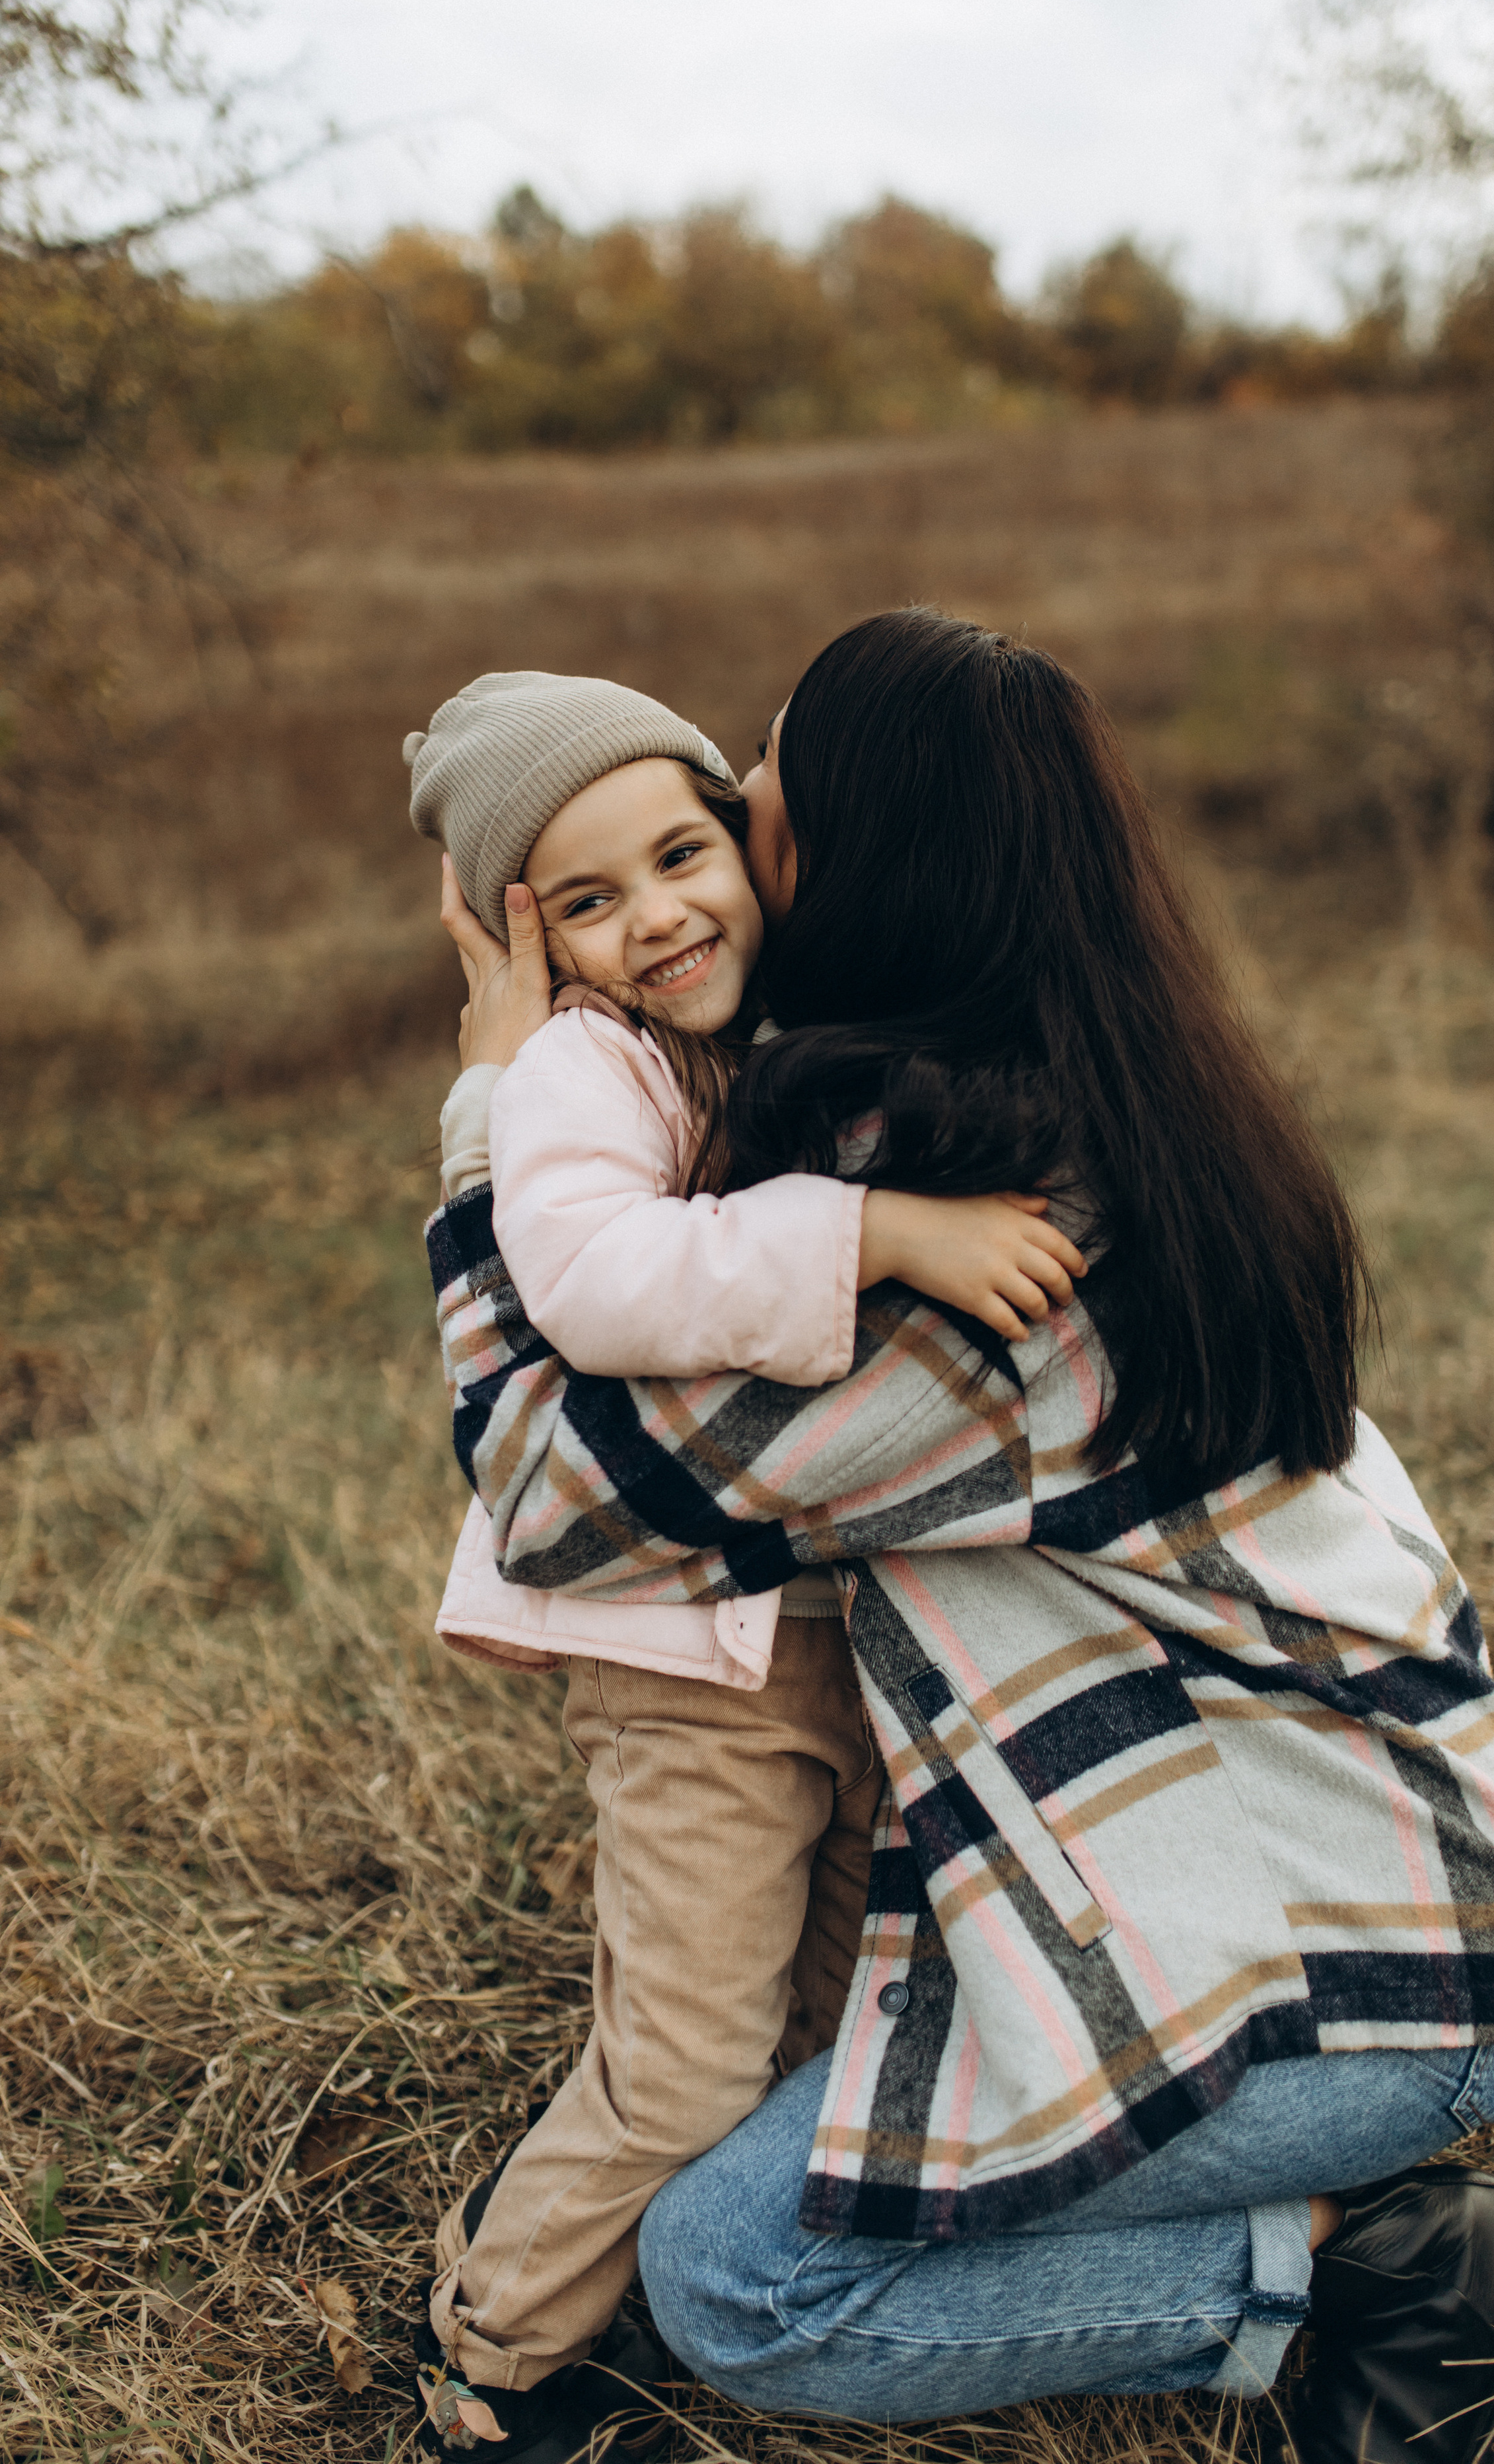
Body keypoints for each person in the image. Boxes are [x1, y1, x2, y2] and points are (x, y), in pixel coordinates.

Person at [423, 614, 1494, 2464]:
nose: (735, 825)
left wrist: (491, 1113)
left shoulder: (986, 1270)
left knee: (738, 2277)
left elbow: (549, 1498)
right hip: (1354, 1887)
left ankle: (1369, 2272)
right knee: (789, 2143)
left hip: (1362, 1977)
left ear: (866, 864)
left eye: (764, 796)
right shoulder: (1105, 1094)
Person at [404, 670, 1086, 2455]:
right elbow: (594, 1284)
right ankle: (495, 2358)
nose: (659, 917)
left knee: (811, 2021)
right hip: (680, 1663)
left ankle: (641, 2275)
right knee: (690, 2055)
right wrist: (878, 1230)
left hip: (812, 1643)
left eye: (685, 854)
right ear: (534, 944)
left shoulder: (769, 1038)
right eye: (591, 901)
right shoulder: (585, 1069)